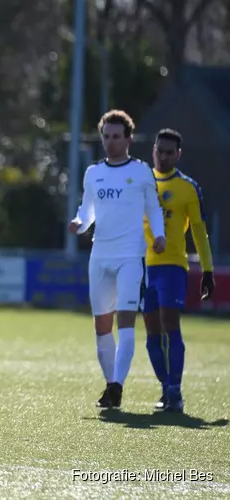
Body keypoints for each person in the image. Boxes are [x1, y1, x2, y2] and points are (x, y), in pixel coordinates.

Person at [69, 109, 166, 409]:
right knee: (101, 326)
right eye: (106, 136)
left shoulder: (140, 172)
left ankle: (116, 386)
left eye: (116, 136)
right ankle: (110, 384)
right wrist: (79, 224)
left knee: (125, 322)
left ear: (128, 138)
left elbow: (153, 208)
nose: (110, 142)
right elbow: (87, 212)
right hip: (100, 257)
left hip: (130, 257)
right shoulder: (93, 173)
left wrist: (159, 235)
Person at [142, 128, 215, 413]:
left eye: (169, 152)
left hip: (172, 267)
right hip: (143, 266)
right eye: (160, 151)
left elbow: (199, 231)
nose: (163, 156)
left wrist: (207, 270)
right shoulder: (141, 183)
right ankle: (165, 385)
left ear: (178, 155)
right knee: (150, 331)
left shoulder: (187, 187)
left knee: (170, 324)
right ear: (153, 150)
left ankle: (175, 391)